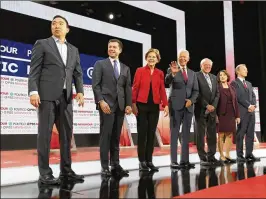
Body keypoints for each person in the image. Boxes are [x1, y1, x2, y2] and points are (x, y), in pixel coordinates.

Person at [28, 15, 84, 185]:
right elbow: (34, 70)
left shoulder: (74, 49)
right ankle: (44, 173)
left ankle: (66, 171)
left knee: (66, 135)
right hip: (46, 96)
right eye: (53, 23)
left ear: (67, 29)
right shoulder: (42, 44)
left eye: (60, 23)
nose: (56, 26)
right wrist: (33, 91)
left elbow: (78, 73)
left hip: (66, 97)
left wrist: (80, 91)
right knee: (44, 135)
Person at [92, 38, 132, 176]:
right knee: (106, 136)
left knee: (116, 137)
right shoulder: (100, 64)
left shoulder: (126, 68)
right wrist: (101, 102)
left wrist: (128, 104)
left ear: (120, 50)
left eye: (114, 47)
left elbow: (127, 88)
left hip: (120, 107)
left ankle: (115, 165)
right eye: (110, 47)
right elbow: (96, 85)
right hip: (106, 106)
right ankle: (104, 167)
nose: (112, 49)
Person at [132, 48, 169, 171]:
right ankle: (141, 161)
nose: (151, 58)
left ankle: (149, 161)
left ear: (157, 59)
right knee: (142, 134)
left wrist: (166, 104)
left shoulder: (160, 73)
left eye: (154, 57)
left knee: (151, 134)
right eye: (149, 56)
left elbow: (162, 89)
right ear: (146, 58)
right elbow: (135, 87)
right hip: (141, 105)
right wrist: (133, 103)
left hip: (154, 106)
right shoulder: (140, 70)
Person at [165, 50, 199, 169]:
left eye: (185, 57)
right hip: (175, 106)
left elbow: (196, 91)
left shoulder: (193, 74)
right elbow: (166, 81)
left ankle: (185, 160)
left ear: (188, 59)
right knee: (174, 133)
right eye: (180, 57)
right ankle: (173, 161)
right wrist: (173, 74)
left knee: (186, 134)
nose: (182, 59)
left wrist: (191, 100)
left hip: (188, 107)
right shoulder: (172, 70)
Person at [194, 58, 222, 166]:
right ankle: (202, 157)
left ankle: (211, 156)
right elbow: (196, 92)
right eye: (206, 65)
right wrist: (207, 105)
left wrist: (213, 106)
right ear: (201, 66)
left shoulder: (214, 77)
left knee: (211, 134)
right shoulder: (196, 76)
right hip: (200, 109)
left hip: (212, 111)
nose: (208, 67)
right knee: (200, 135)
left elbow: (217, 94)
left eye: (209, 65)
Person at [231, 64, 260, 162]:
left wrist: (254, 105)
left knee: (250, 133)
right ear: (238, 71)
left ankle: (249, 154)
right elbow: (238, 97)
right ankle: (239, 155)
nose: (246, 71)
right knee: (241, 133)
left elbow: (253, 96)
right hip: (242, 112)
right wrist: (249, 106)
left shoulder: (249, 83)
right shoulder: (234, 83)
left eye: (246, 69)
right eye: (244, 69)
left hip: (251, 112)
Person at [216, 70, 240, 164]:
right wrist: (216, 115)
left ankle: (227, 154)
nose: (222, 77)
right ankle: (221, 156)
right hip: (221, 114)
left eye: (224, 75)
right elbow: (215, 102)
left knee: (229, 135)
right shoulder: (217, 88)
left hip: (231, 113)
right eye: (220, 75)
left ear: (227, 77)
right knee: (221, 135)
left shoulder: (232, 88)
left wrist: (237, 115)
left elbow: (236, 103)